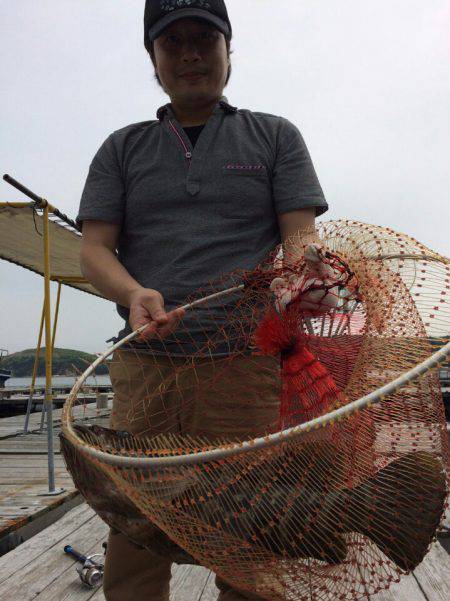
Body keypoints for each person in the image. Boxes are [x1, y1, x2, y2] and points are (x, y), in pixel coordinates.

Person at [77, 1, 328, 599]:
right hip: (147, 361)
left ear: (228, 51)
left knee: (251, 527)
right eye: (172, 43)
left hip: (245, 364)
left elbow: (300, 234)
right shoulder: (122, 148)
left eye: (204, 40)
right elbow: (93, 250)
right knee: (136, 526)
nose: (190, 54)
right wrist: (135, 291)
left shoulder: (273, 135)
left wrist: (304, 271)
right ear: (153, 60)